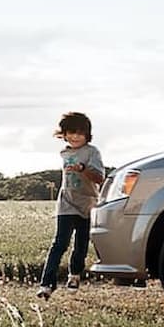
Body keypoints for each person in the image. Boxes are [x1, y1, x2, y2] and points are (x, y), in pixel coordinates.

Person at [37, 112, 105, 299]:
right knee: (59, 244)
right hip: (66, 204)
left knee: (81, 245)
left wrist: (82, 169)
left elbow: (100, 178)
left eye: (80, 133)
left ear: (87, 135)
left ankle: (74, 275)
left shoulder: (92, 152)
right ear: (64, 134)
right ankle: (46, 285)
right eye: (71, 132)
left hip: (87, 204)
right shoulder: (64, 153)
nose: (75, 136)